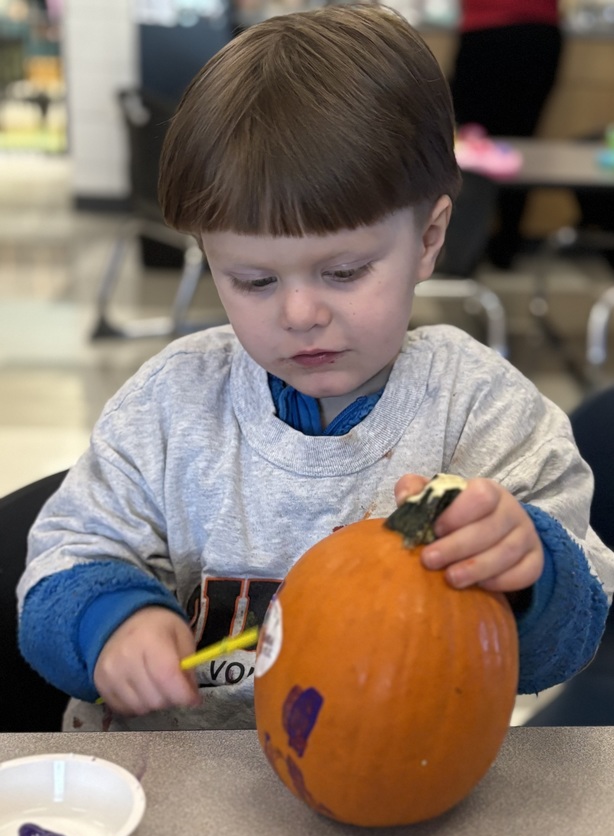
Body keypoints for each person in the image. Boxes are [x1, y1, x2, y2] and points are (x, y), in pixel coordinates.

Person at [17, 3, 614, 732]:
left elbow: (574, 636)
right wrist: (105, 622)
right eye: (254, 281)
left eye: (343, 271)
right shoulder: (172, 405)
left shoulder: (484, 415)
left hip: (401, 774)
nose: (299, 314)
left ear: (428, 238)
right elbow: (59, 562)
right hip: (175, 783)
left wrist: (530, 573)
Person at [450, 0, 563, 268]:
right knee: (520, 141)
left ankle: (462, 253)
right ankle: (506, 247)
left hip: (486, 30)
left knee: (472, 144)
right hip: (539, 33)